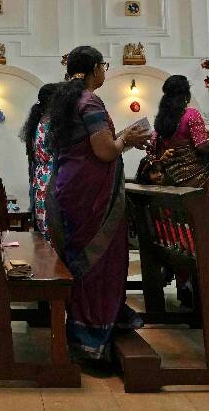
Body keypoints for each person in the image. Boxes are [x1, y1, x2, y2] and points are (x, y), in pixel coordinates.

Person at [45, 46, 151, 365]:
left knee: (81, 258)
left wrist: (121, 139)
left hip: (70, 186)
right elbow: (105, 151)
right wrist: (128, 140)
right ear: (94, 68)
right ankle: (91, 334)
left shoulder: (65, 101)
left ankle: (86, 324)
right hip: (91, 192)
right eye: (103, 65)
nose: (105, 71)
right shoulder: (90, 101)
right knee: (99, 258)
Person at [140, 76, 209, 199]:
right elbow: (202, 146)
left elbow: (155, 148)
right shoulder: (191, 114)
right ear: (186, 95)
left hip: (171, 179)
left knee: (179, 216)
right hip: (196, 180)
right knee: (200, 216)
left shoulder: (162, 119)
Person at [19, 83, 58, 241]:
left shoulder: (40, 121)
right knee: (52, 228)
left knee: (46, 226)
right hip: (51, 177)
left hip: (42, 176)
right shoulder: (49, 123)